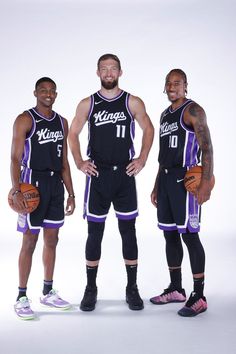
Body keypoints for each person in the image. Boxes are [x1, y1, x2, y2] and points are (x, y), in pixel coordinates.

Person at [69, 53, 154, 311]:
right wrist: (79, 162)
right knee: (95, 233)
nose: (108, 73)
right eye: (104, 69)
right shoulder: (88, 103)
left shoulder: (132, 102)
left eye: (113, 68)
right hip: (98, 175)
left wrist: (142, 158)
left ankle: (132, 288)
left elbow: (148, 129)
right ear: (97, 72)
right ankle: (90, 288)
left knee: (128, 232)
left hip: (124, 176)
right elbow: (72, 133)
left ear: (120, 72)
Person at [150, 69, 214, 317]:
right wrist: (157, 184)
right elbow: (162, 155)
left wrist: (206, 183)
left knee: (190, 236)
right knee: (169, 234)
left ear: (186, 86)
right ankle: (176, 289)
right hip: (166, 179)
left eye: (177, 83)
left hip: (186, 180)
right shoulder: (165, 115)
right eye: (168, 83)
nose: (172, 86)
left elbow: (207, 149)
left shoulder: (193, 110)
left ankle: (199, 296)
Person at [10, 77, 75, 320]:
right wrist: (16, 189)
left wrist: (71, 192)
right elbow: (15, 158)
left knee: (52, 239)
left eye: (51, 91)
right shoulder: (25, 119)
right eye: (43, 91)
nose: (48, 94)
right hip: (32, 185)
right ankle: (21, 296)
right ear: (35, 93)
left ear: (56, 95)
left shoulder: (62, 122)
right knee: (29, 241)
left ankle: (47, 291)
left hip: (55, 184)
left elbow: (64, 161)